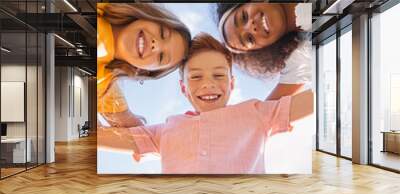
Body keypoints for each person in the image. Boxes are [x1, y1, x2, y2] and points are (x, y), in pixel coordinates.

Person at [98, 33, 313, 174]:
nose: (208, 84)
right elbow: (99, 136)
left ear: (231, 83)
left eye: (219, 75)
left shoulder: (257, 112)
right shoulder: (165, 130)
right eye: (196, 77)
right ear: (184, 88)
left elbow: (312, 100)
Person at [97, 3, 191, 127]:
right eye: (162, 33)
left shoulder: (103, 85)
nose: (155, 45)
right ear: (151, 16)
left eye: (161, 57)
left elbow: (136, 133)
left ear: (144, 71)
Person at [215, 3, 312, 100]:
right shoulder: (304, 54)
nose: (251, 27)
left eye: (244, 17)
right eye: (249, 39)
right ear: (263, 49)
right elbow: (268, 111)